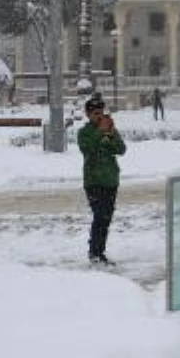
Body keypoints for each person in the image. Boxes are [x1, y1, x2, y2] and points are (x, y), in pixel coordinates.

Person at [77, 94, 126, 264]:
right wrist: (100, 133)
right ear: (88, 115)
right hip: (93, 181)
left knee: (106, 218)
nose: (99, 115)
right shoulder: (84, 132)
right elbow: (88, 150)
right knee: (99, 216)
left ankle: (100, 252)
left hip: (110, 180)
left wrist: (111, 134)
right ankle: (94, 252)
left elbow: (121, 149)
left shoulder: (109, 128)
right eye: (95, 113)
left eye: (101, 112)